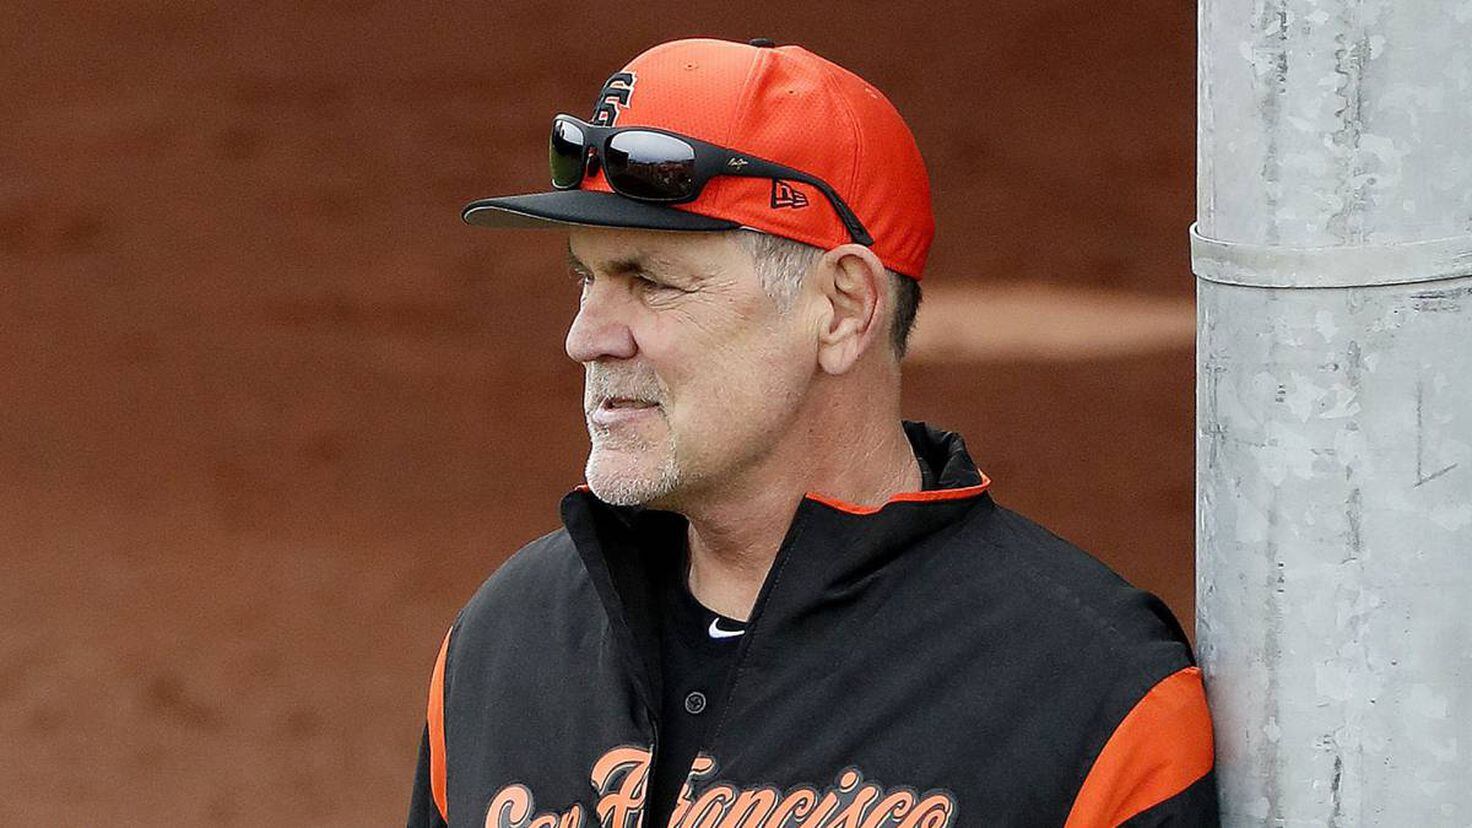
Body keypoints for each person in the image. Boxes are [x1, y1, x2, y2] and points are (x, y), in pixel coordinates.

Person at [407, 37, 1218, 827]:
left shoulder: (1093, 703)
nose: (586, 338)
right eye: (587, 277)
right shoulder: (503, 649)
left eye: (650, 283)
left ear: (842, 309)